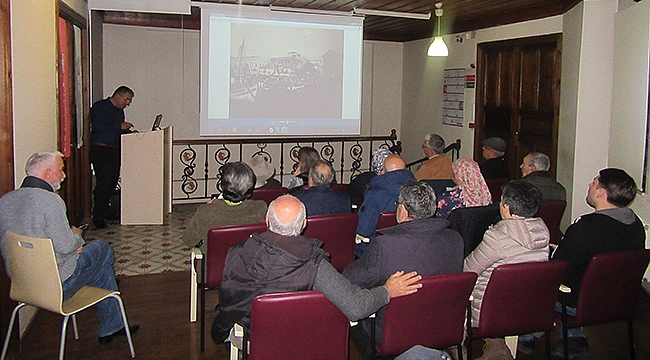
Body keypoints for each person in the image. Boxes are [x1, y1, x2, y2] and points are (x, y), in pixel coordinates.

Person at [210, 194, 423, 345]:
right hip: (301, 339)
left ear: (266, 221)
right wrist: (387, 291)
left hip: (249, 336)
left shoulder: (236, 251)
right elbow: (356, 306)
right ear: (303, 224)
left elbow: (228, 295)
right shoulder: (315, 265)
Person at [0, 151, 139, 344]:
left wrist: (70, 246)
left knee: (99, 269)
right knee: (102, 248)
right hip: (57, 285)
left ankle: (113, 325)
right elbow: (66, 245)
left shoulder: (6, 201)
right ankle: (111, 325)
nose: (64, 175)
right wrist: (77, 236)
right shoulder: (51, 201)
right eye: (61, 170)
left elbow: (31, 239)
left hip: (22, 285)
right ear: (48, 174)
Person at [343, 181, 464, 357]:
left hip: (392, 333)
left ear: (403, 211)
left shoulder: (386, 245)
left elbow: (351, 279)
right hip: (441, 328)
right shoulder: (455, 240)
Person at [549, 168, 645, 357]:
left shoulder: (584, 228)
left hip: (579, 304)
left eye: (593, 183)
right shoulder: (636, 225)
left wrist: (557, 252)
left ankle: (528, 339)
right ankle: (575, 339)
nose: (589, 186)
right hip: (621, 301)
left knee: (528, 282)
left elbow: (560, 269)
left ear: (601, 192)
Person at [464, 180, 549, 360]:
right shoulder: (543, 233)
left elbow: (468, 270)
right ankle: (496, 346)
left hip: (491, 310)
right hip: (529, 307)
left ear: (507, 208)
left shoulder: (496, 237)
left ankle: (460, 350)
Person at [182, 162, 267, 253]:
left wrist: (209, 206)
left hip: (215, 266)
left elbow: (189, 240)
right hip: (249, 265)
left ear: (222, 185)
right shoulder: (260, 208)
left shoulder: (206, 211)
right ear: (250, 187)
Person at [90, 85, 136, 229]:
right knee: (103, 183)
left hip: (114, 150)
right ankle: (98, 217)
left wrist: (131, 133)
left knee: (112, 182)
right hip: (101, 150)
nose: (127, 103)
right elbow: (98, 127)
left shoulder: (119, 112)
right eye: (127, 100)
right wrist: (119, 127)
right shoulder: (99, 107)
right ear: (119, 96)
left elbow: (118, 131)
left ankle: (106, 211)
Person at [356, 154, 416, 257]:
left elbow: (363, 229)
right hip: (412, 248)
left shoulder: (374, 195)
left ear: (382, 172)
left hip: (378, 251)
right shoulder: (419, 190)